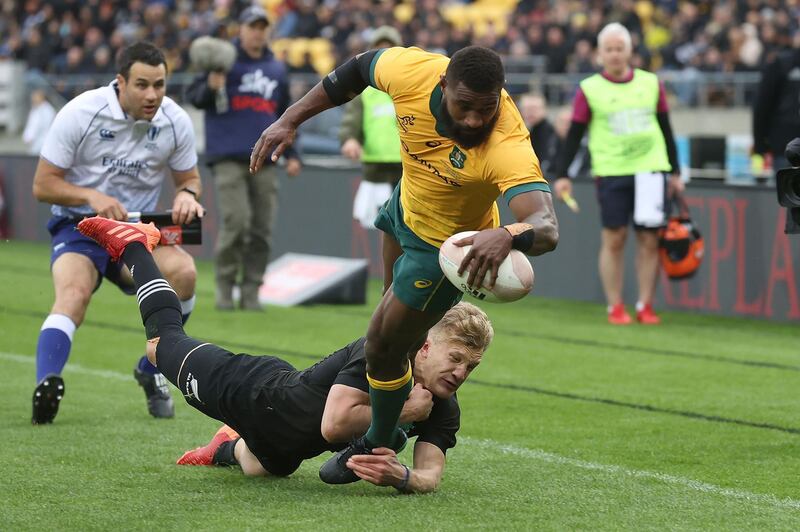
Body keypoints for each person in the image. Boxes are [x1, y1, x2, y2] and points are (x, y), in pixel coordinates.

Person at [250, 44, 559, 484]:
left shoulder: (507, 142)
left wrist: (506, 233)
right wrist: (290, 119)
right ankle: (399, 404)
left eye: (485, 109)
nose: (474, 120)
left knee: (381, 344)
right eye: (464, 106)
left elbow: (546, 227)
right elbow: (353, 72)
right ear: (442, 85)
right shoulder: (411, 70)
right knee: (394, 332)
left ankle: (375, 440)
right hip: (405, 205)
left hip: (442, 251)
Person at [77, 214, 493, 493]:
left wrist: (403, 477)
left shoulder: (443, 405)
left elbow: (431, 474)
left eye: (470, 366)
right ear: (423, 345)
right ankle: (134, 245)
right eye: (456, 358)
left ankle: (224, 443)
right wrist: (403, 411)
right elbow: (334, 426)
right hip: (254, 392)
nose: (461, 372)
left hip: (286, 448)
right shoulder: (382, 355)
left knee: (262, 466)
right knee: (158, 345)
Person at [30, 42, 204, 424]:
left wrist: (188, 195)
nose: (152, 95)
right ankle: (47, 383)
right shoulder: (80, 112)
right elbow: (42, 185)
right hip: (81, 228)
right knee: (73, 295)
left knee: (185, 275)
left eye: (160, 85)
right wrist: (90, 196)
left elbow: (189, 178)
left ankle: (150, 367)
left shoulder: (175, 119)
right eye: (142, 85)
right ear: (120, 82)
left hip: (138, 232)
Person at [554, 23, 683, 326]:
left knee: (649, 239)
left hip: (651, 170)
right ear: (600, 54)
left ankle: (645, 305)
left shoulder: (651, 83)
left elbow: (666, 129)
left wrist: (675, 171)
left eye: (619, 48)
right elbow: (574, 134)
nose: (614, 54)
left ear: (629, 51)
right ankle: (615, 306)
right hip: (612, 171)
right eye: (608, 49)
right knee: (614, 238)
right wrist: (562, 173)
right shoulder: (589, 89)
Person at [185, 6, 301, 311]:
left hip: (265, 158)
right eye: (252, 26)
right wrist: (210, 87)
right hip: (228, 154)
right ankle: (225, 288)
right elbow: (195, 97)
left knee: (262, 228)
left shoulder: (276, 68)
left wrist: (292, 153)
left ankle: (251, 291)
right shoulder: (223, 60)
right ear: (241, 29)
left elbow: (286, 116)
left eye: (263, 27)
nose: (257, 32)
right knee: (237, 222)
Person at [339, 26, 403, 229]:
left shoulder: (407, 88)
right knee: (379, 229)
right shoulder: (364, 91)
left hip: (409, 170)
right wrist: (349, 139)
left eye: (389, 49)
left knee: (406, 226)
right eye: (379, 49)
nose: (384, 55)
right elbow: (351, 120)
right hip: (375, 171)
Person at [752, 42, 800, 173]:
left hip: (783, 144)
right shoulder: (780, 65)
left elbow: (761, 106)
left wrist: (759, 146)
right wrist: (759, 146)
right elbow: (762, 105)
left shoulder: (780, 63)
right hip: (785, 145)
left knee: (787, 190)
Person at [518, 93, 560, 180]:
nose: (530, 112)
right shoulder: (518, 131)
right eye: (527, 108)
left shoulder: (553, 134)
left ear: (544, 109)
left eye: (534, 108)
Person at [22, 88, 56, 155]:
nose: (33, 99)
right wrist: (27, 137)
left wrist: (30, 137)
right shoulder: (35, 109)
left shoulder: (47, 110)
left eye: (35, 97)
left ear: (41, 97)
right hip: (35, 143)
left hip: (42, 143)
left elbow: (39, 126)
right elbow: (30, 124)